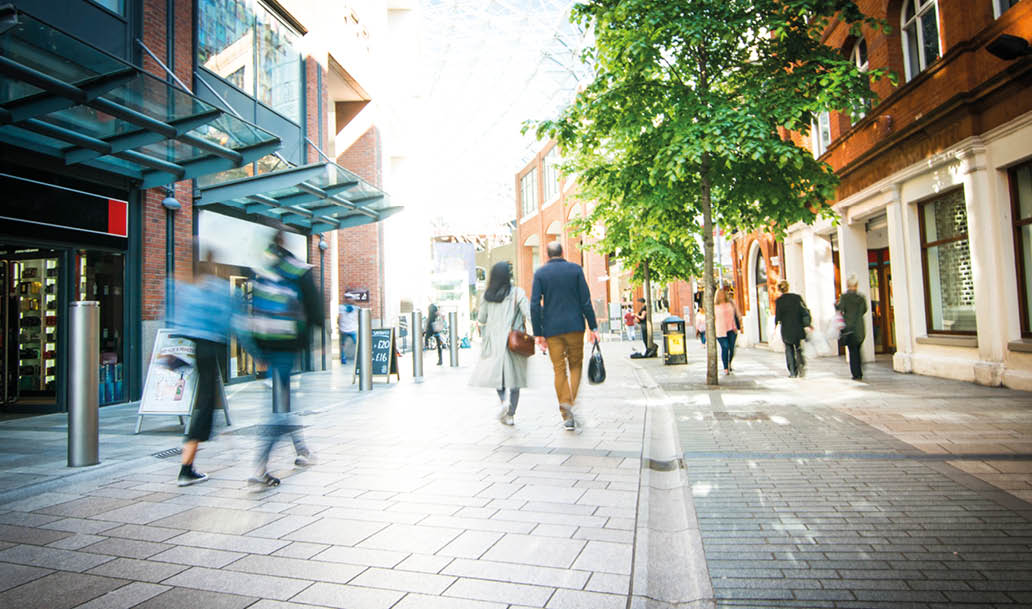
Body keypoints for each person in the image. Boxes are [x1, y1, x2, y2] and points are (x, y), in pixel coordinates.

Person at [247, 231, 323, 488]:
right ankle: (260, 467)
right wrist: (313, 341)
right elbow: (315, 309)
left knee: (284, 400)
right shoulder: (298, 270)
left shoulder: (264, 271)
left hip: (268, 347)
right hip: (287, 348)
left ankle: (302, 451)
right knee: (279, 408)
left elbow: (254, 310)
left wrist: (258, 351)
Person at [171, 254, 234, 486]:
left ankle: (188, 464)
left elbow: (177, 318)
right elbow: (231, 321)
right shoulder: (218, 289)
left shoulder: (188, 288)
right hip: (211, 348)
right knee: (205, 405)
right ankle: (186, 468)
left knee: (204, 403)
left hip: (195, 348)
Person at [531, 241, 600, 430]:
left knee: (559, 370)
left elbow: (534, 304)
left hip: (552, 330)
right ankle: (571, 403)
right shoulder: (575, 270)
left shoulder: (540, 273)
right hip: (575, 326)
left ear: (547, 254)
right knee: (575, 365)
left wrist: (538, 333)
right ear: (562, 253)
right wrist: (593, 327)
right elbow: (585, 300)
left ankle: (565, 411)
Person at [470, 261, 529, 426]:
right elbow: (528, 312)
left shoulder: (487, 296)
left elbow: (481, 318)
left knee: (498, 377)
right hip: (514, 341)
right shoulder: (518, 293)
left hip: (494, 342)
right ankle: (510, 415)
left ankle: (503, 401)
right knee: (515, 380)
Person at [774, 280, 812, 378]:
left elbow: (778, 317)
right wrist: (807, 323)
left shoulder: (779, 301)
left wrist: (776, 325)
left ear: (779, 289)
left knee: (789, 349)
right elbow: (804, 311)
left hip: (786, 329)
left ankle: (792, 371)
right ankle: (801, 365)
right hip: (798, 327)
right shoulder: (797, 298)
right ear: (788, 287)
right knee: (798, 347)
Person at [836, 273, 868, 381]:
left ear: (848, 285)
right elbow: (864, 310)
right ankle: (860, 370)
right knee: (858, 349)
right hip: (859, 327)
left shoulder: (844, 297)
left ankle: (856, 373)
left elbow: (840, 308)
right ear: (856, 285)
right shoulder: (861, 298)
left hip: (849, 328)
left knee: (852, 351)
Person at [714, 288, 740, 375]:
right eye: (720, 294)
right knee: (725, 347)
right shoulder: (714, 306)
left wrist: (740, 325)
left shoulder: (731, 303)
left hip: (732, 329)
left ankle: (729, 363)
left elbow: (738, 314)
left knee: (732, 349)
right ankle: (725, 367)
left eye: (723, 293)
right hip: (720, 330)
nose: (722, 295)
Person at [337, 298, 358, 365]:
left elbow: (339, 318)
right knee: (358, 344)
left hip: (344, 329)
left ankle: (343, 359)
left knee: (342, 345)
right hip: (352, 329)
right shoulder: (356, 308)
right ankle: (361, 357)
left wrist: (339, 326)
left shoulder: (341, 308)